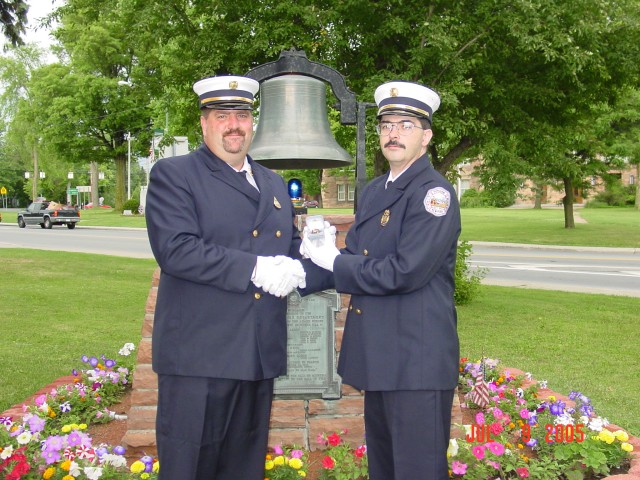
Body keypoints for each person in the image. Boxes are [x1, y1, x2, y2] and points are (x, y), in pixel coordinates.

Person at [145, 75, 307, 480]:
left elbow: (287, 247)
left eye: (241, 115)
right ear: (204, 123)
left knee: (243, 469)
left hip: (256, 353)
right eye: (222, 116)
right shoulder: (174, 174)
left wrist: (308, 257)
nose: (233, 125)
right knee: (190, 467)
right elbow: (176, 249)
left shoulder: (271, 182)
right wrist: (256, 268)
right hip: (199, 355)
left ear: (252, 122)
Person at [301, 81, 461, 480]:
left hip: (415, 358)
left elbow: (405, 271)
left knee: (417, 469)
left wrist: (334, 261)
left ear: (426, 136)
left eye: (406, 125)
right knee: (387, 468)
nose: (393, 132)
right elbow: (355, 257)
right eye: (386, 124)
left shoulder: (433, 194)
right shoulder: (376, 191)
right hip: (383, 353)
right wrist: (296, 271)